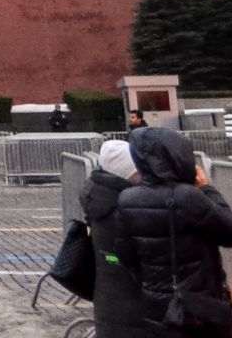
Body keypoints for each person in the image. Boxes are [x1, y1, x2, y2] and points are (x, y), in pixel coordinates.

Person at [115, 126, 232, 333]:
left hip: (157, 307)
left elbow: (126, 255)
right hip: (199, 307)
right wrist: (207, 189)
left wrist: (153, 285)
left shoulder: (127, 199)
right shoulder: (187, 197)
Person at [81, 140, 143, 338]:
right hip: (131, 303)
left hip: (110, 299)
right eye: (138, 170)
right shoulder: (122, 208)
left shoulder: (100, 196)